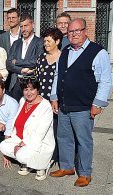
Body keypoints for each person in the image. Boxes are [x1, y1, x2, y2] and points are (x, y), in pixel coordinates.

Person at [49, 18, 111, 187]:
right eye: (70, 31)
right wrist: (54, 97)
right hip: (64, 105)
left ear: (85, 31)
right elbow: (57, 75)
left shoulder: (98, 52)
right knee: (64, 137)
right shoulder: (65, 51)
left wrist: (98, 104)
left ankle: (84, 173)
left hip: (84, 106)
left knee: (84, 141)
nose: (74, 34)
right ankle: (67, 167)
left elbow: (105, 80)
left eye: (77, 30)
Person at [0, 78, 55, 181]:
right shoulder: (22, 100)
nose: (28, 93)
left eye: (32, 89)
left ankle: (42, 165)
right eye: (25, 89)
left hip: (38, 141)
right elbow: (16, 123)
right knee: (3, 146)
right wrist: (15, 141)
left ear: (37, 90)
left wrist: (21, 144)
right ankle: (28, 162)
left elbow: (40, 133)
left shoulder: (45, 106)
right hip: (20, 138)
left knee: (21, 155)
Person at [35, 28, 63, 163]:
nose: (45, 43)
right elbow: (37, 77)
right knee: (43, 128)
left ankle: (55, 156)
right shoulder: (41, 58)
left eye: (48, 40)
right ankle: (43, 154)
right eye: (44, 41)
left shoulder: (64, 57)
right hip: (42, 100)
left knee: (56, 129)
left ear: (57, 41)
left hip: (57, 100)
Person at [6, 14, 44, 102]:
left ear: (33, 25)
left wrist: (17, 62)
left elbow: (36, 61)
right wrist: (21, 70)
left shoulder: (39, 42)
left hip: (31, 83)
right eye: (21, 26)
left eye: (26, 26)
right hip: (16, 83)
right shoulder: (16, 43)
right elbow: (8, 64)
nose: (23, 29)